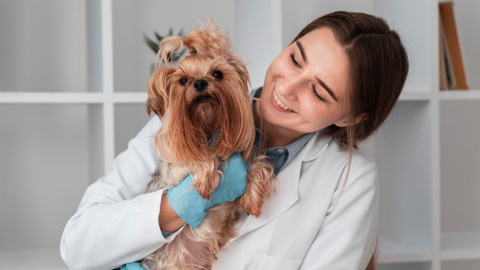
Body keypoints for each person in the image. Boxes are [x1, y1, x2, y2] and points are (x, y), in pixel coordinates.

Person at [61, 11, 409, 270]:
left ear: (349, 117)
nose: (286, 88)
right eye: (294, 58)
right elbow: (78, 245)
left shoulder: (350, 180)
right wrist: (179, 205)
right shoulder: (181, 119)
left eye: (317, 91)